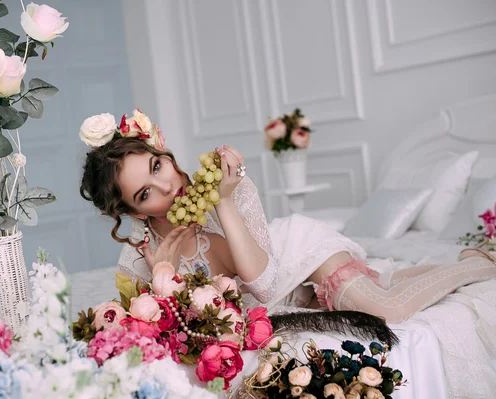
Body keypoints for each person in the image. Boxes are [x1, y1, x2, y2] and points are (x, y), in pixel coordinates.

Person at [78, 110, 496, 323]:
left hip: (300, 257)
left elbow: (259, 284)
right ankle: (449, 265)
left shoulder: (226, 184)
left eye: (156, 166)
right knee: (378, 281)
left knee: (387, 309)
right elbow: (155, 323)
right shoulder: (140, 254)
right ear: (131, 211)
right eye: (146, 192)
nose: (168, 186)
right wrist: (162, 279)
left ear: (162, 153)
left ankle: (475, 264)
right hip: (292, 296)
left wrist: (224, 198)